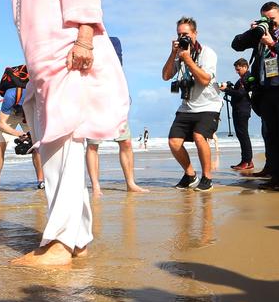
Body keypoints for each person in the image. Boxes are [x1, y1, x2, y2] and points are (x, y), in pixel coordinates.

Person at [0, 0, 130, 266]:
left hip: (69, 52)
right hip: (39, 64)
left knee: (64, 148)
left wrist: (85, 38)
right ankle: (78, 239)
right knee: (55, 147)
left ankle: (58, 244)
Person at [232, 1, 279, 191]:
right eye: (266, 19)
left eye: (272, 19)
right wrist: (254, 32)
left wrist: (273, 44)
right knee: (271, 135)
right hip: (265, 91)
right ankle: (275, 176)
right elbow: (236, 45)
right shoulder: (260, 33)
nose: (270, 23)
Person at [162, 16, 222, 192]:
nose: (183, 38)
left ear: (195, 33)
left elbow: (204, 80)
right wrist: (174, 54)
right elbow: (166, 76)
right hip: (187, 106)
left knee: (199, 137)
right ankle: (190, 175)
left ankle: (207, 178)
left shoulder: (207, 53)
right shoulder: (179, 53)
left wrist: (188, 60)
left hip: (209, 105)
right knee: (174, 142)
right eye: (179, 35)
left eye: (186, 34)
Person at [85, 37, 149, 195]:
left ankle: (130, 183)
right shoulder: (85, 42)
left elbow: (117, 68)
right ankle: (96, 186)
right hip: (92, 100)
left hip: (114, 98)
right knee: (93, 144)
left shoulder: (113, 41)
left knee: (126, 142)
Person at [0, 86, 44, 192]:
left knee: (36, 145)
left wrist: (32, 135)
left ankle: (41, 182)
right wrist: (19, 134)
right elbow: (1, 125)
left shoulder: (40, 95)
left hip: (28, 115)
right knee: (0, 146)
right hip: (11, 114)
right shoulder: (11, 95)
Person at [219, 58, 254, 170]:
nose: (237, 71)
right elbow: (238, 92)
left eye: (238, 69)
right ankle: (247, 161)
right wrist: (230, 88)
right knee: (242, 136)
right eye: (236, 70)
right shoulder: (243, 79)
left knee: (243, 136)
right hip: (239, 109)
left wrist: (226, 90)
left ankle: (246, 161)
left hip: (242, 110)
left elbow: (240, 94)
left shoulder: (248, 78)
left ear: (245, 67)